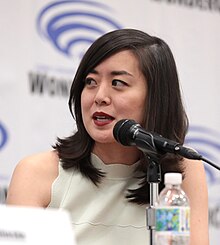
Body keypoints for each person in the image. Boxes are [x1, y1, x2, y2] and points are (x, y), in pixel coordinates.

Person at [6, 29, 209, 244]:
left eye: (117, 83)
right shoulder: (37, 173)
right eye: (91, 82)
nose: (100, 96)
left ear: (156, 98)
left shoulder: (183, 170)